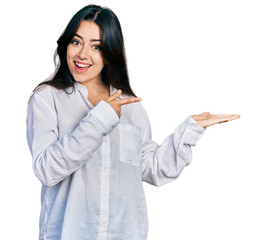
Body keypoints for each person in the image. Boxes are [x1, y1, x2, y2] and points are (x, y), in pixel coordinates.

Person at [26, 4, 240, 240]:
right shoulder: (47, 98)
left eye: (96, 46)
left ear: (109, 53)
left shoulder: (130, 105)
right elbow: (47, 170)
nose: (82, 54)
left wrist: (190, 130)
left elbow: (152, 168)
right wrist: (100, 119)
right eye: (76, 42)